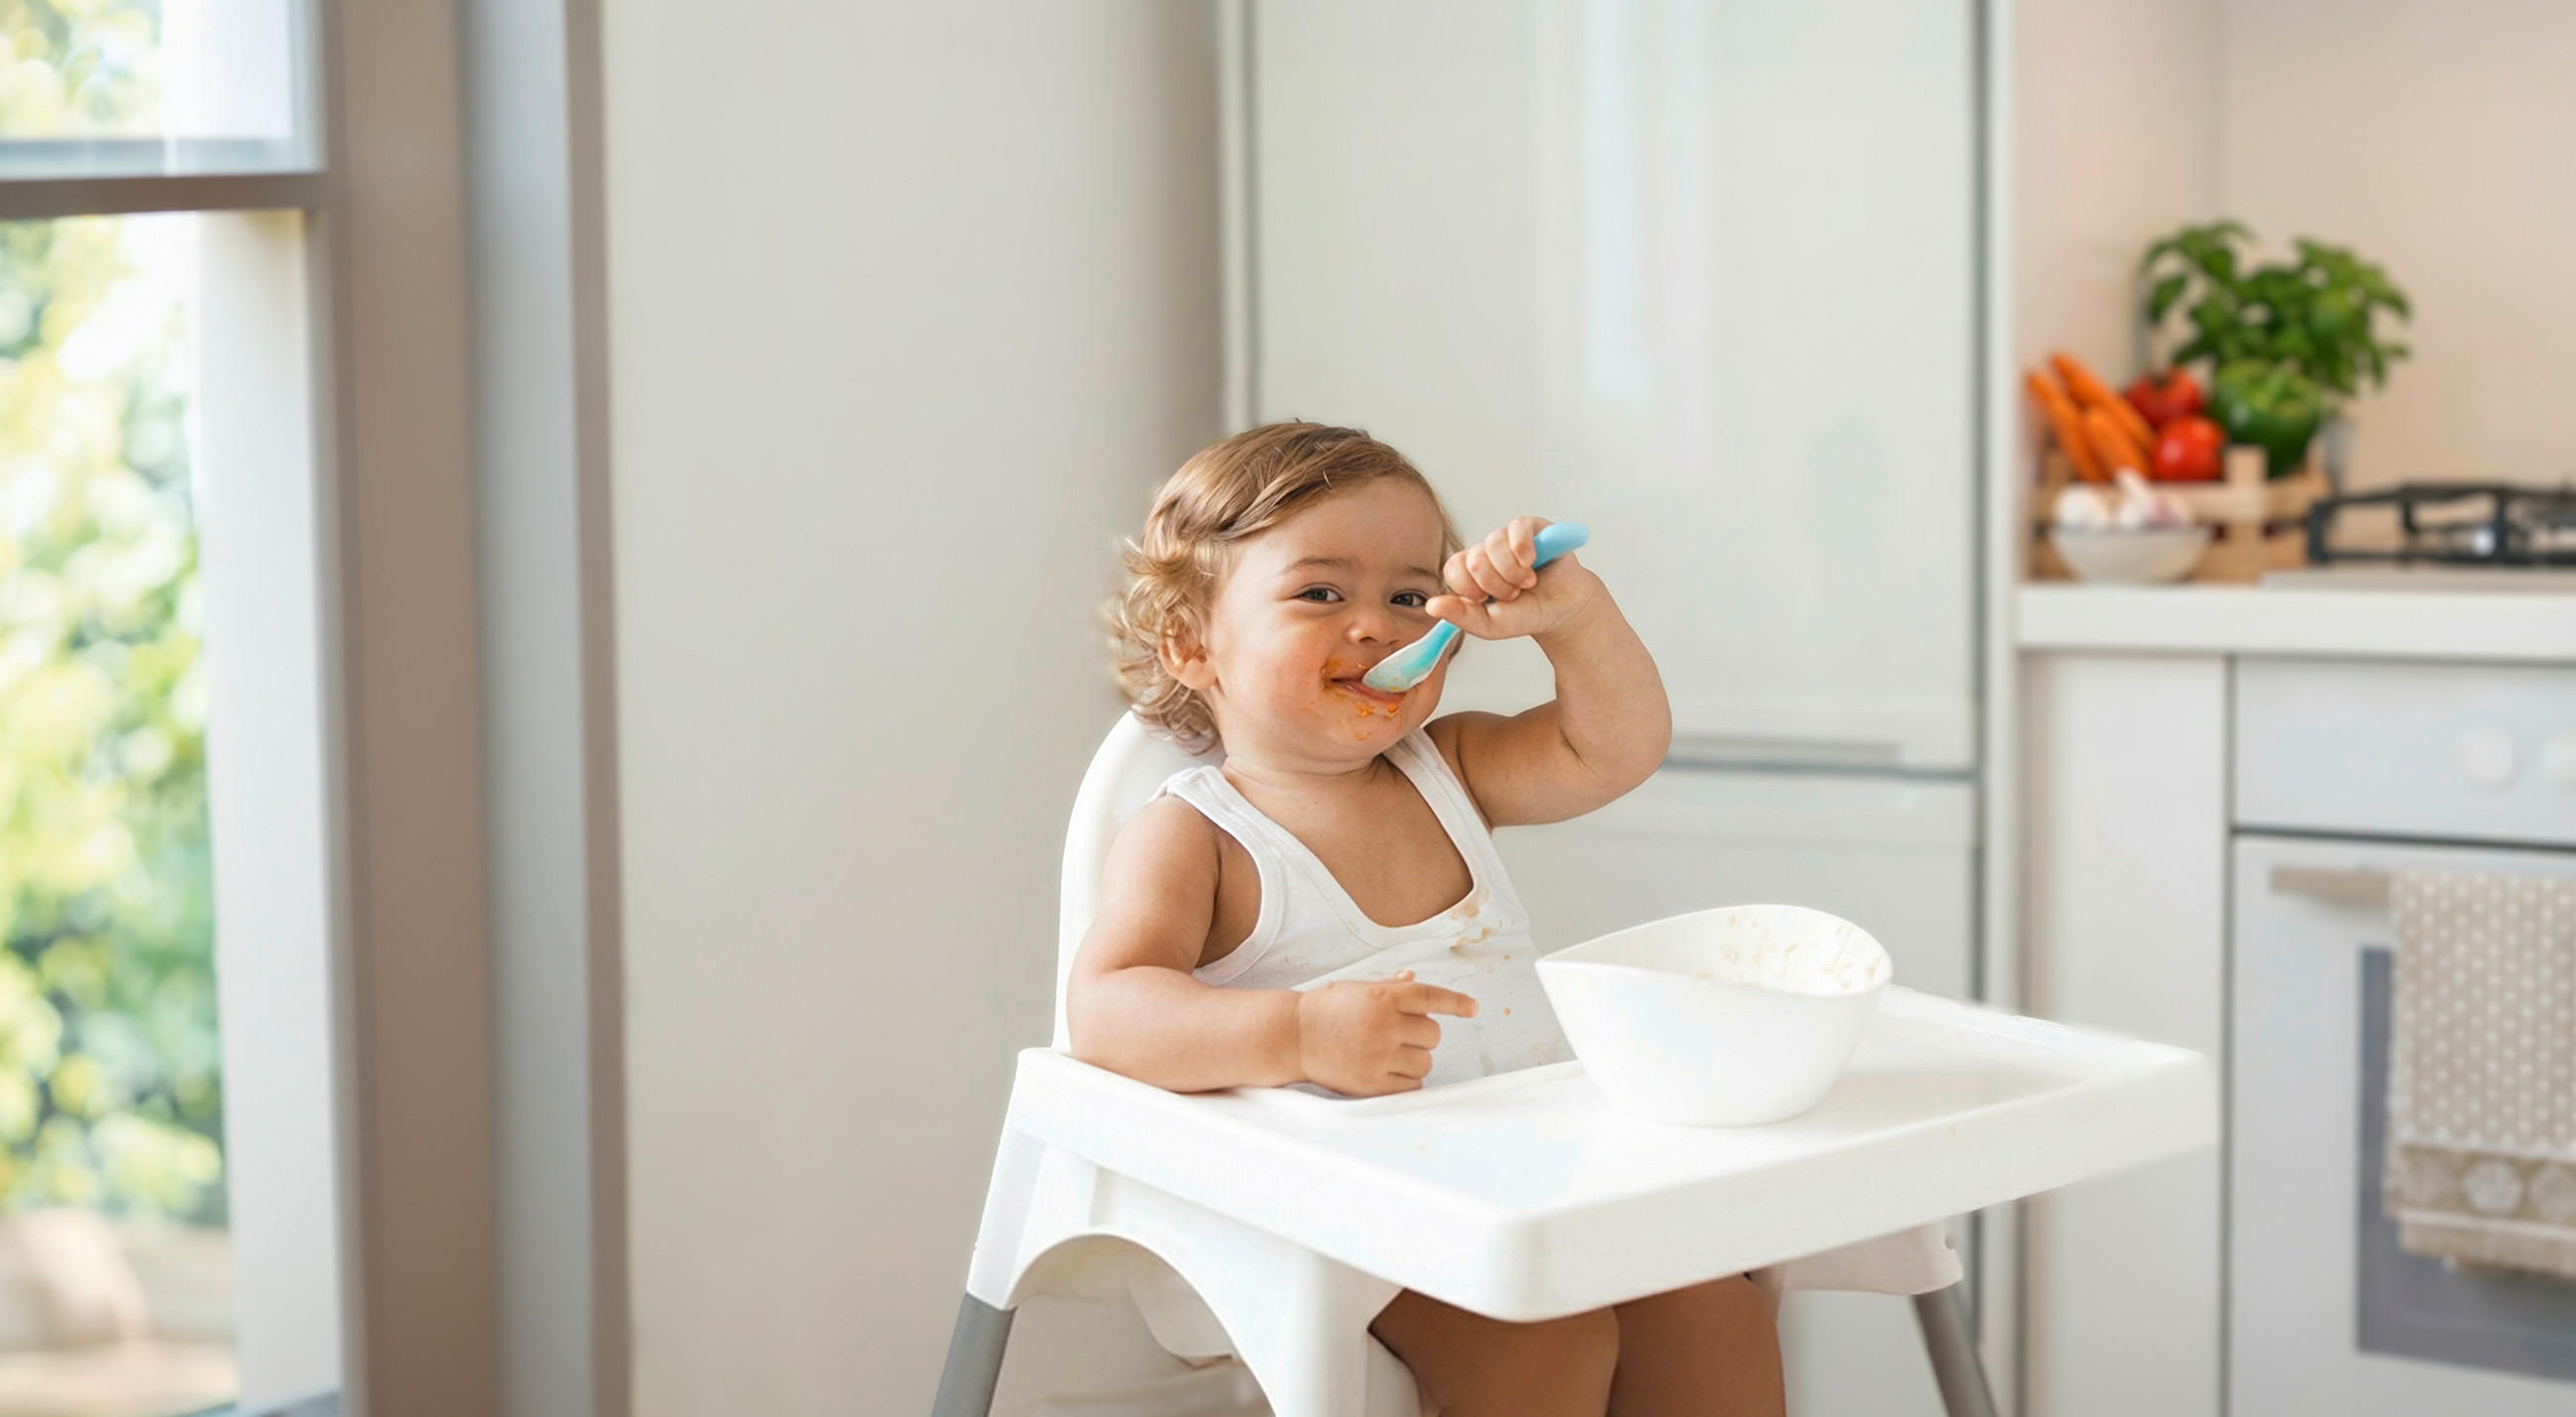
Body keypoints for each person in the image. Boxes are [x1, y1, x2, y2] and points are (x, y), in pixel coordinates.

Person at [1065, 421, 1786, 1416]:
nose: (1377, 625)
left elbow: (1615, 746)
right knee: (1544, 1339)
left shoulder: (1447, 771)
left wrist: (1570, 616)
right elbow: (1107, 1008)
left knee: (1714, 1310)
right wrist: (1299, 1031)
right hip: (1339, 1217)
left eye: (1409, 596)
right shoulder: (1198, 834)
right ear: (1192, 642)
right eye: (1320, 592)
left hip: (1524, 1175)